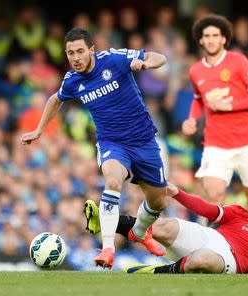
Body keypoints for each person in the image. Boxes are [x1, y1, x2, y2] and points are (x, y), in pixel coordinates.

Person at [20, 28, 168, 269]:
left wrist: (146, 64)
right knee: (112, 180)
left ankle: (139, 231)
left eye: (80, 51)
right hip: (111, 142)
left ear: (91, 50)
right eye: (70, 53)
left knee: (158, 203)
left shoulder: (114, 59)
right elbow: (55, 99)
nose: (75, 58)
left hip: (143, 141)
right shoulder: (72, 80)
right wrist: (38, 130)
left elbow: (157, 56)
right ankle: (108, 249)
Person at [86, 183, 248, 274]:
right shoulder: (241, 213)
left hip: (230, 260)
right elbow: (208, 210)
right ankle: (107, 221)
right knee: (163, 225)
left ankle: (156, 272)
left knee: (202, 260)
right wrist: (178, 193)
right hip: (212, 235)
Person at [182, 14, 248, 209]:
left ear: (223, 39)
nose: (211, 40)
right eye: (207, 36)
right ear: (201, 40)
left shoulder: (238, 61)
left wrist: (229, 106)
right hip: (216, 142)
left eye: (215, 35)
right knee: (213, 193)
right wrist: (192, 119)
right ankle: (217, 238)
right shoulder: (195, 70)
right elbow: (198, 99)